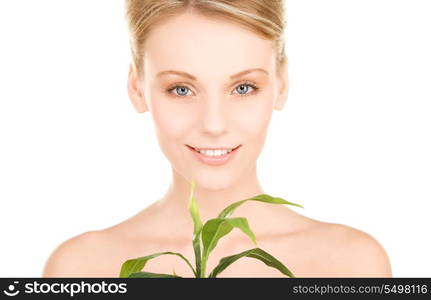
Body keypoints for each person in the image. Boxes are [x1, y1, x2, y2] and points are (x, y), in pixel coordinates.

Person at [42, 0, 392, 278]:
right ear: (137, 88)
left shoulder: (352, 264)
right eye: (181, 89)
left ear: (281, 85)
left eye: (243, 87)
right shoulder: (80, 269)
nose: (213, 124)